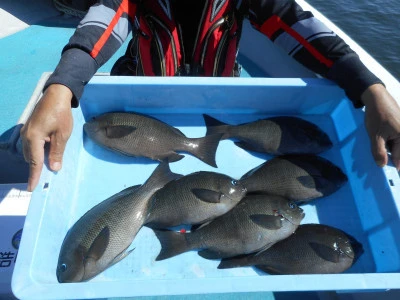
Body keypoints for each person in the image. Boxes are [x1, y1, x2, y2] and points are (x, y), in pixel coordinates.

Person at [21, 0, 400, 192]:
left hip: (215, 97)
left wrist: (371, 87)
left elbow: (297, 25)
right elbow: (102, 22)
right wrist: (61, 86)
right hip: (144, 94)